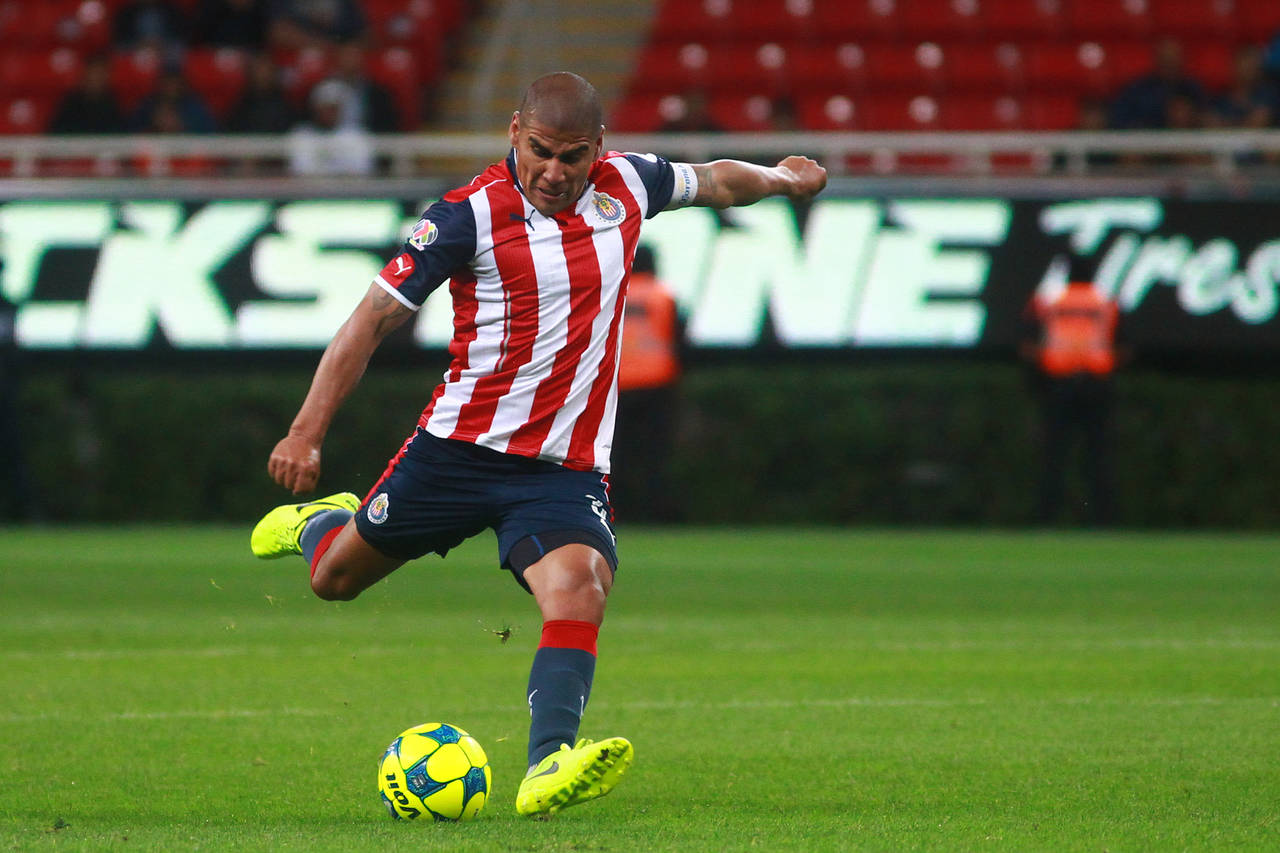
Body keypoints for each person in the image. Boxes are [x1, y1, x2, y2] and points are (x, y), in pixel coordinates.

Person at [249, 71, 826, 817]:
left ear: (599, 150)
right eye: (542, 152)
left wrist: (782, 178)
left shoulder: (629, 185)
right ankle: (322, 522)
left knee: (580, 586)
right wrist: (306, 429)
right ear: (514, 134)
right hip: (457, 451)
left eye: (573, 156)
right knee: (334, 579)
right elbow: (370, 321)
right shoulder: (465, 216)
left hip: (561, 468)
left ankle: (548, 764)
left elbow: (716, 181)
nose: (555, 172)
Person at [1021, 278, 1125, 526]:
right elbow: (1125, 345)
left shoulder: (1049, 300)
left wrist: (1040, 376)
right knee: (1097, 457)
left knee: (1054, 456)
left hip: (1059, 385)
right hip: (1095, 384)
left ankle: (1046, 519)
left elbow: (1027, 345)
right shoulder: (1106, 303)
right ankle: (1104, 520)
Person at [610, 245, 684, 522]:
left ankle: (614, 512)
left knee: (614, 454)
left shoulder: (613, 292)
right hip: (657, 384)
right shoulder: (665, 296)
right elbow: (680, 342)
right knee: (655, 454)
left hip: (616, 386)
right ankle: (656, 513)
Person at [286, 79, 374, 176]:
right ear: (315, 108)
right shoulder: (301, 134)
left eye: (333, 108)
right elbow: (299, 170)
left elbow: (361, 170)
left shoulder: (356, 136)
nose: (328, 113)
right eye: (324, 107)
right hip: (309, 189)